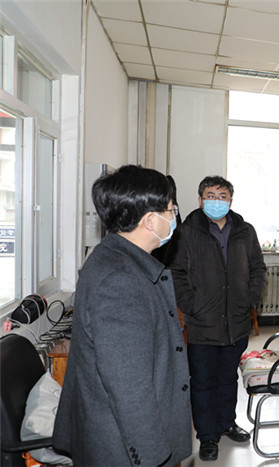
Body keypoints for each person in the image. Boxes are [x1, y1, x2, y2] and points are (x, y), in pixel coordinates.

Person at [53, 165, 191, 466]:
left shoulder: (114, 257)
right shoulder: (121, 280)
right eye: (171, 209)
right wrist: (154, 456)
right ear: (150, 220)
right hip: (122, 446)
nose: (174, 217)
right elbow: (129, 386)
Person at [170, 175, 266, 462]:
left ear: (230, 201)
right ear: (200, 200)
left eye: (222, 196)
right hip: (203, 324)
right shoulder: (186, 232)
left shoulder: (245, 231)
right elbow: (175, 273)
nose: (216, 201)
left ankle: (226, 423)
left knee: (227, 378)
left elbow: (258, 268)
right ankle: (208, 435)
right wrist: (192, 305)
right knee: (203, 381)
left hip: (236, 321)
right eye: (210, 196)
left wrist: (250, 299)